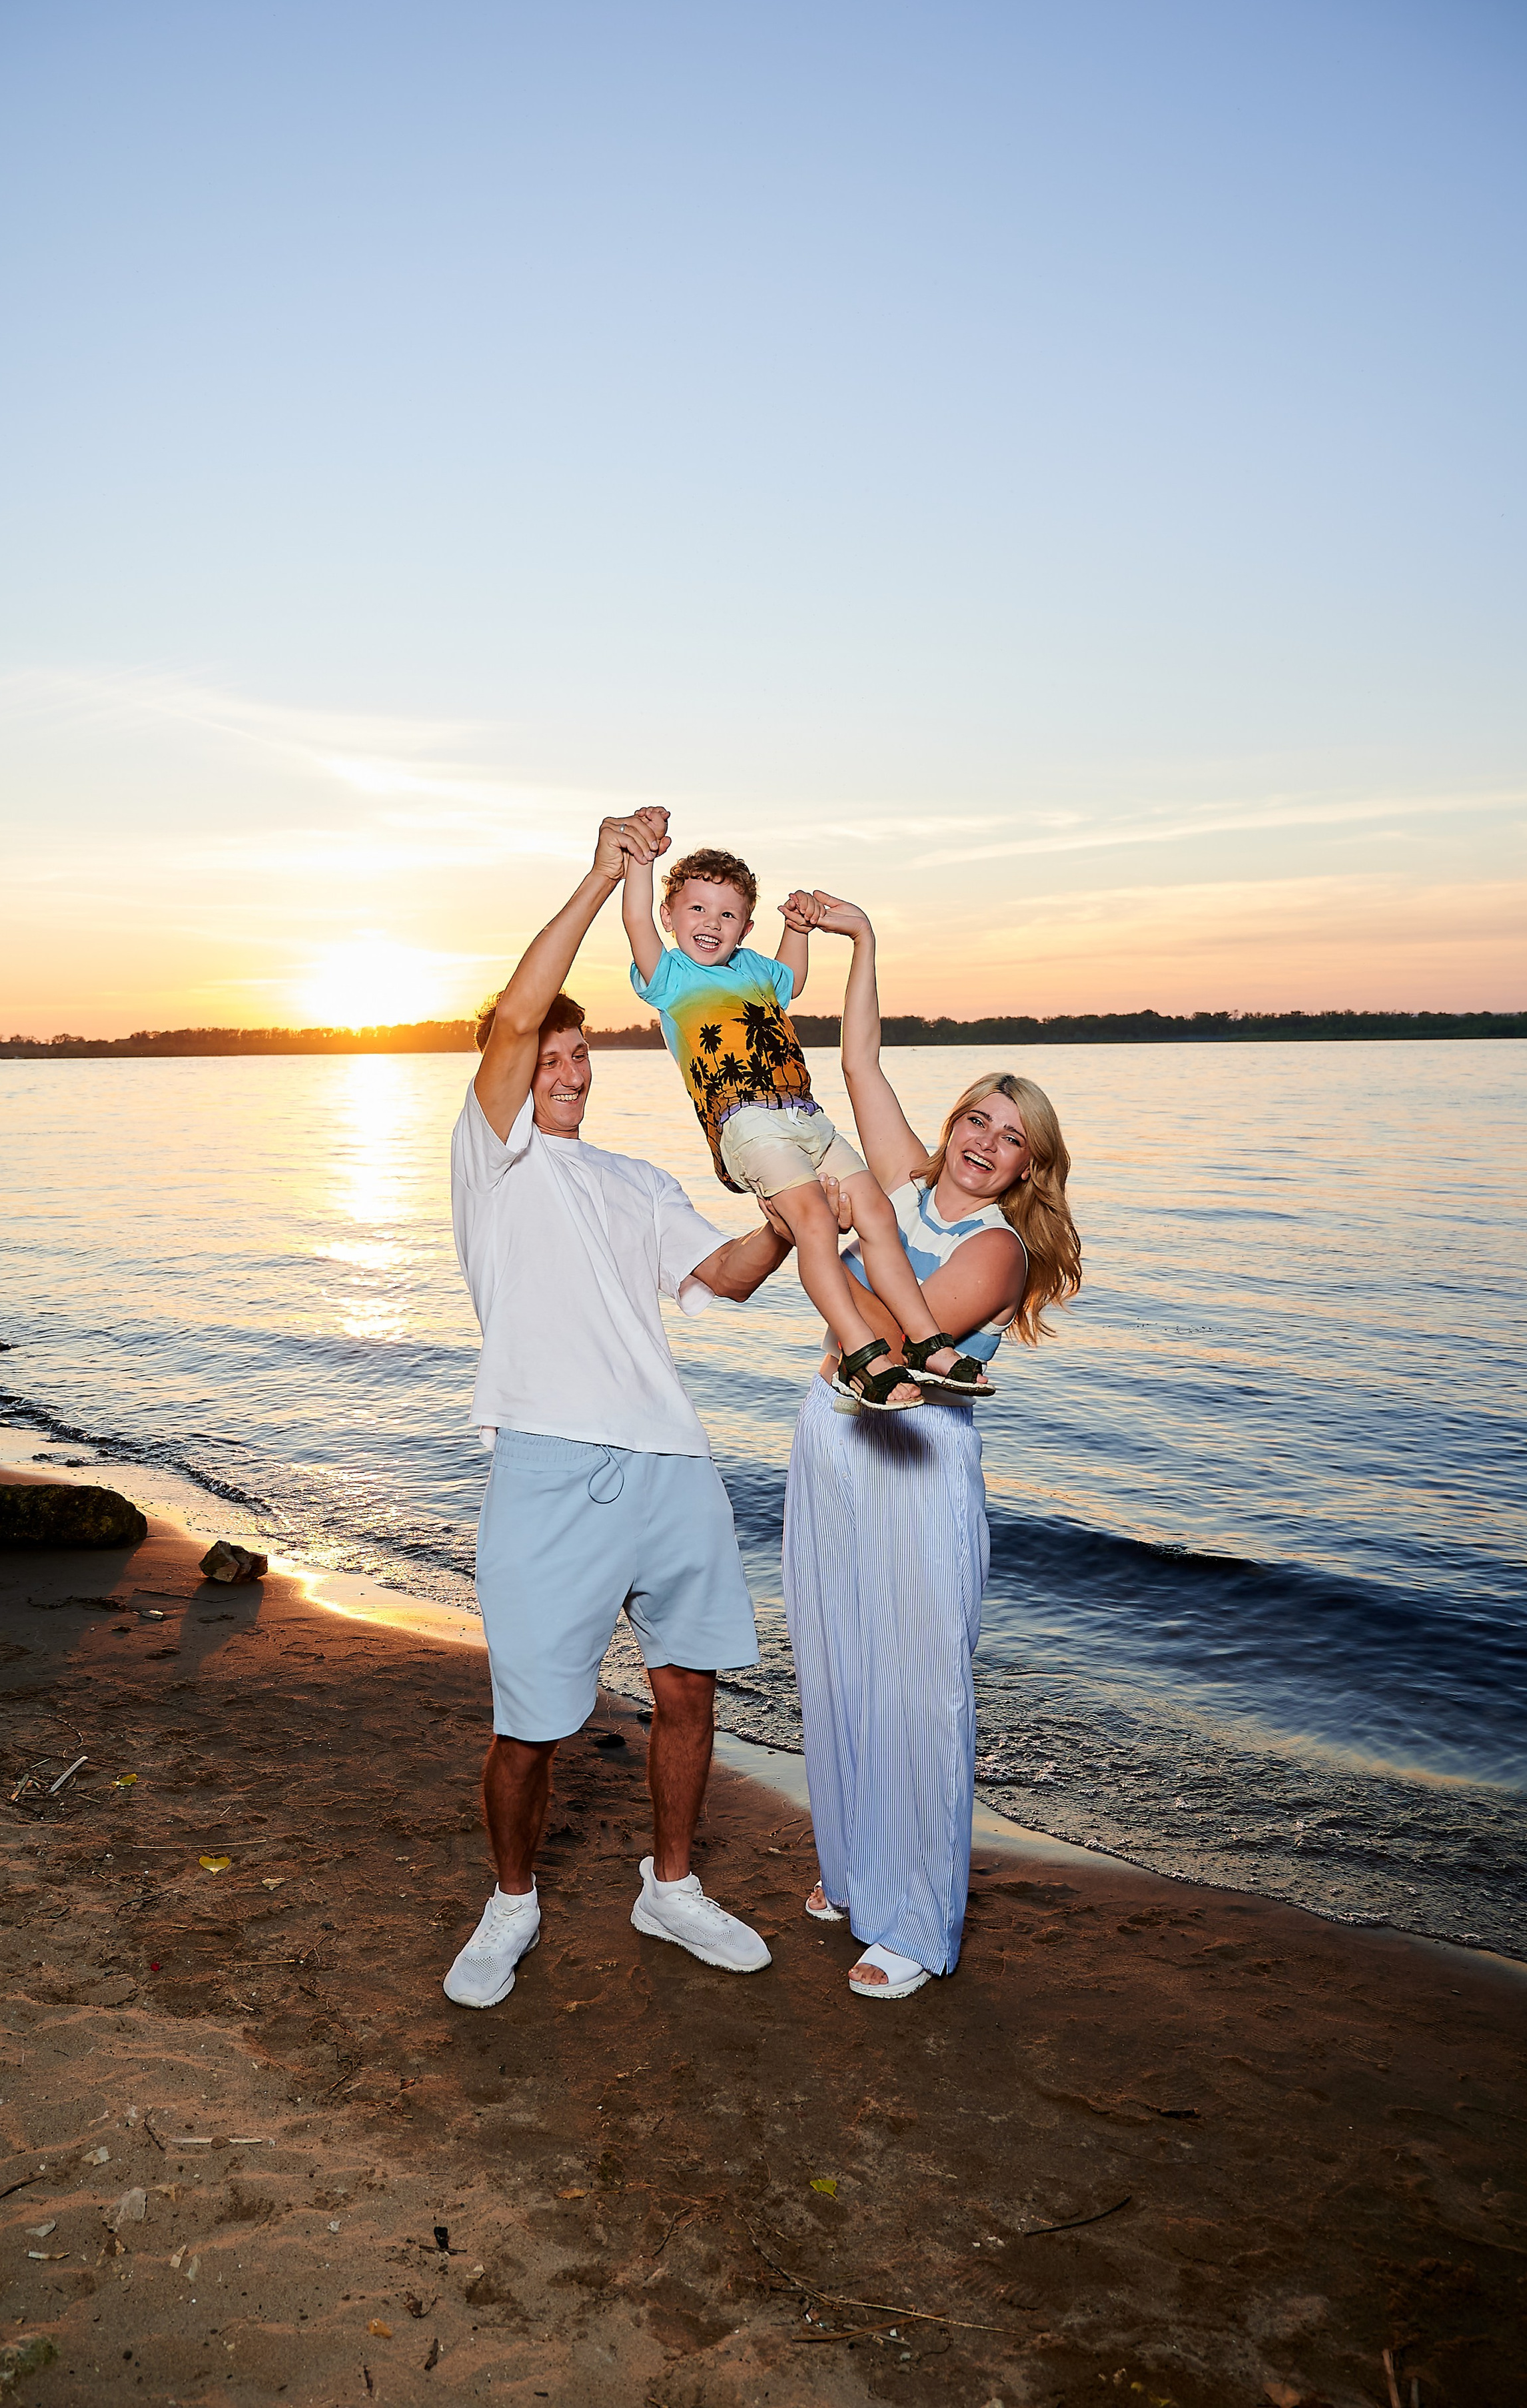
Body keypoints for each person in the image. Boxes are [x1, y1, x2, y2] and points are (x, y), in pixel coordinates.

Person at [444, 806, 803, 2010]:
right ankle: (510, 1905)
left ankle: (672, 1885)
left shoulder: (636, 1178)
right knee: (533, 1723)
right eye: (550, 1058)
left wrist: (799, 1218)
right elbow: (508, 1017)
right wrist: (609, 876)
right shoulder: (492, 1159)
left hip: (670, 1463)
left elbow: (723, 1282)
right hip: (549, 1465)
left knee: (690, 1686)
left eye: (580, 1055)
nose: (568, 1070)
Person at [780, 892, 1083, 2002]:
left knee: (915, 1685)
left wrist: (843, 1231)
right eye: (980, 1119)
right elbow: (855, 1056)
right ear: (955, 1121)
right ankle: (853, 1868)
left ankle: (913, 1921)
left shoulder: (998, 1251)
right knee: (836, 1655)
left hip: (916, 1460)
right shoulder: (904, 1177)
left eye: (1013, 1138)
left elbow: (908, 1330)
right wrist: (863, 943)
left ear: (1026, 1167)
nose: (987, 1142)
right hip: (830, 1433)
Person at [622, 832, 995, 1411]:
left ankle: (927, 1341)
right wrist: (640, 866)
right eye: (696, 908)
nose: (711, 923)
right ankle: (863, 1351)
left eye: (728, 914)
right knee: (816, 1224)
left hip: (806, 1117)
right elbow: (636, 925)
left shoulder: (753, 968)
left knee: (877, 1211)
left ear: (746, 928)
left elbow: (792, 981)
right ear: (669, 915)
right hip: (747, 1125)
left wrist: (797, 926)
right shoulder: (671, 977)